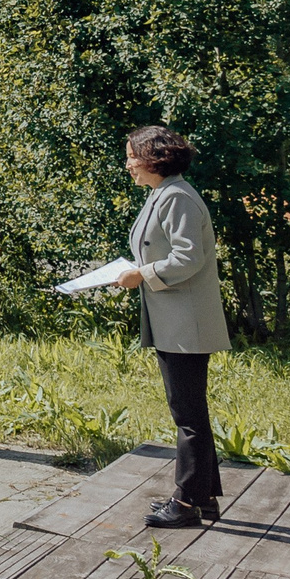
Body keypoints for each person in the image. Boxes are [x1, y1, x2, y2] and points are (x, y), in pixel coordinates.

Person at [118, 126, 231, 529]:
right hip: (175, 320)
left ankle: (185, 504)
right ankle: (204, 499)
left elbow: (189, 257)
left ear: (154, 158)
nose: (128, 164)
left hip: (186, 324)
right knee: (190, 411)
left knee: (187, 414)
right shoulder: (163, 193)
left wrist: (142, 275)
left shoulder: (178, 197)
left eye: (132, 156)